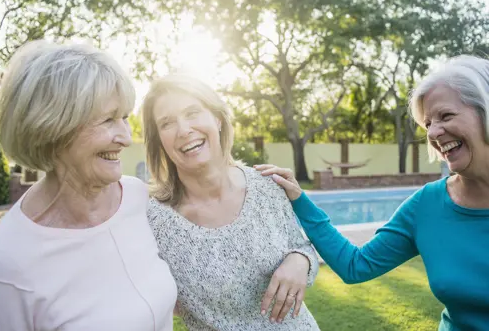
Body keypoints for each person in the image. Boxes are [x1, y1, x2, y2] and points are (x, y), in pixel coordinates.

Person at [256, 54, 489, 331]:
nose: (434, 133)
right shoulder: (426, 205)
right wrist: (300, 200)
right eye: (428, 123)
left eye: (446, 116)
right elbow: (356, 265)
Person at [0, 41, 177, 330]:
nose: (126, 137)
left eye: (124, 117)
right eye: (108, 120)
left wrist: (275, 252)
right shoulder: (6, 263)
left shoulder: (138, 197)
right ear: (51, 128)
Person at [142, 74, 321, 330]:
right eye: (167, 123)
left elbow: (301, 245)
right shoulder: (154, 220)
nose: (184, 130)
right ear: (159, 139)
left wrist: (300, 260)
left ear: (217, 119)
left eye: (192, 113)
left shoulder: (267, 185)